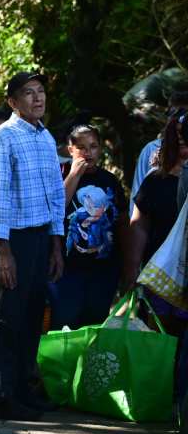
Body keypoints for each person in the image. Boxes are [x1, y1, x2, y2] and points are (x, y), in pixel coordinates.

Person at [0, 71, 65, 421]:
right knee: (6, 317)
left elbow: (57, 194)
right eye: (28, 93)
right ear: (12, 102)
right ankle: (1, 395)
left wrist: (56, 245)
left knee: (33, 315)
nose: (37, 98)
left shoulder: (45, 136)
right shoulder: (4, 138)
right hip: (12, 238)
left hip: (40, 237)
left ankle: (22, 390)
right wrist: (4, 250)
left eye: (41, 92)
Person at [48, 125, 128, 330]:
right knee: (64, 325)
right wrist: (74, 175)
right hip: (67, 269)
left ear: (100, 149)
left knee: (94, 326)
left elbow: (121, 222)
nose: (88, 152)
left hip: (103, 270)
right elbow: (54, 211)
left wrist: (127, 263)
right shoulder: (59, 176)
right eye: (81, 147)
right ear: (70, 149)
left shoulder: (109, 180)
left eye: (93, 146)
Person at [124, 115, 188, 327]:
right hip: (160, 273)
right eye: (176, 133)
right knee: (159, 336)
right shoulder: (156, 178)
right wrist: (132, 267)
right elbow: (139, 224)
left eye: (184, 132)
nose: (180, 137)